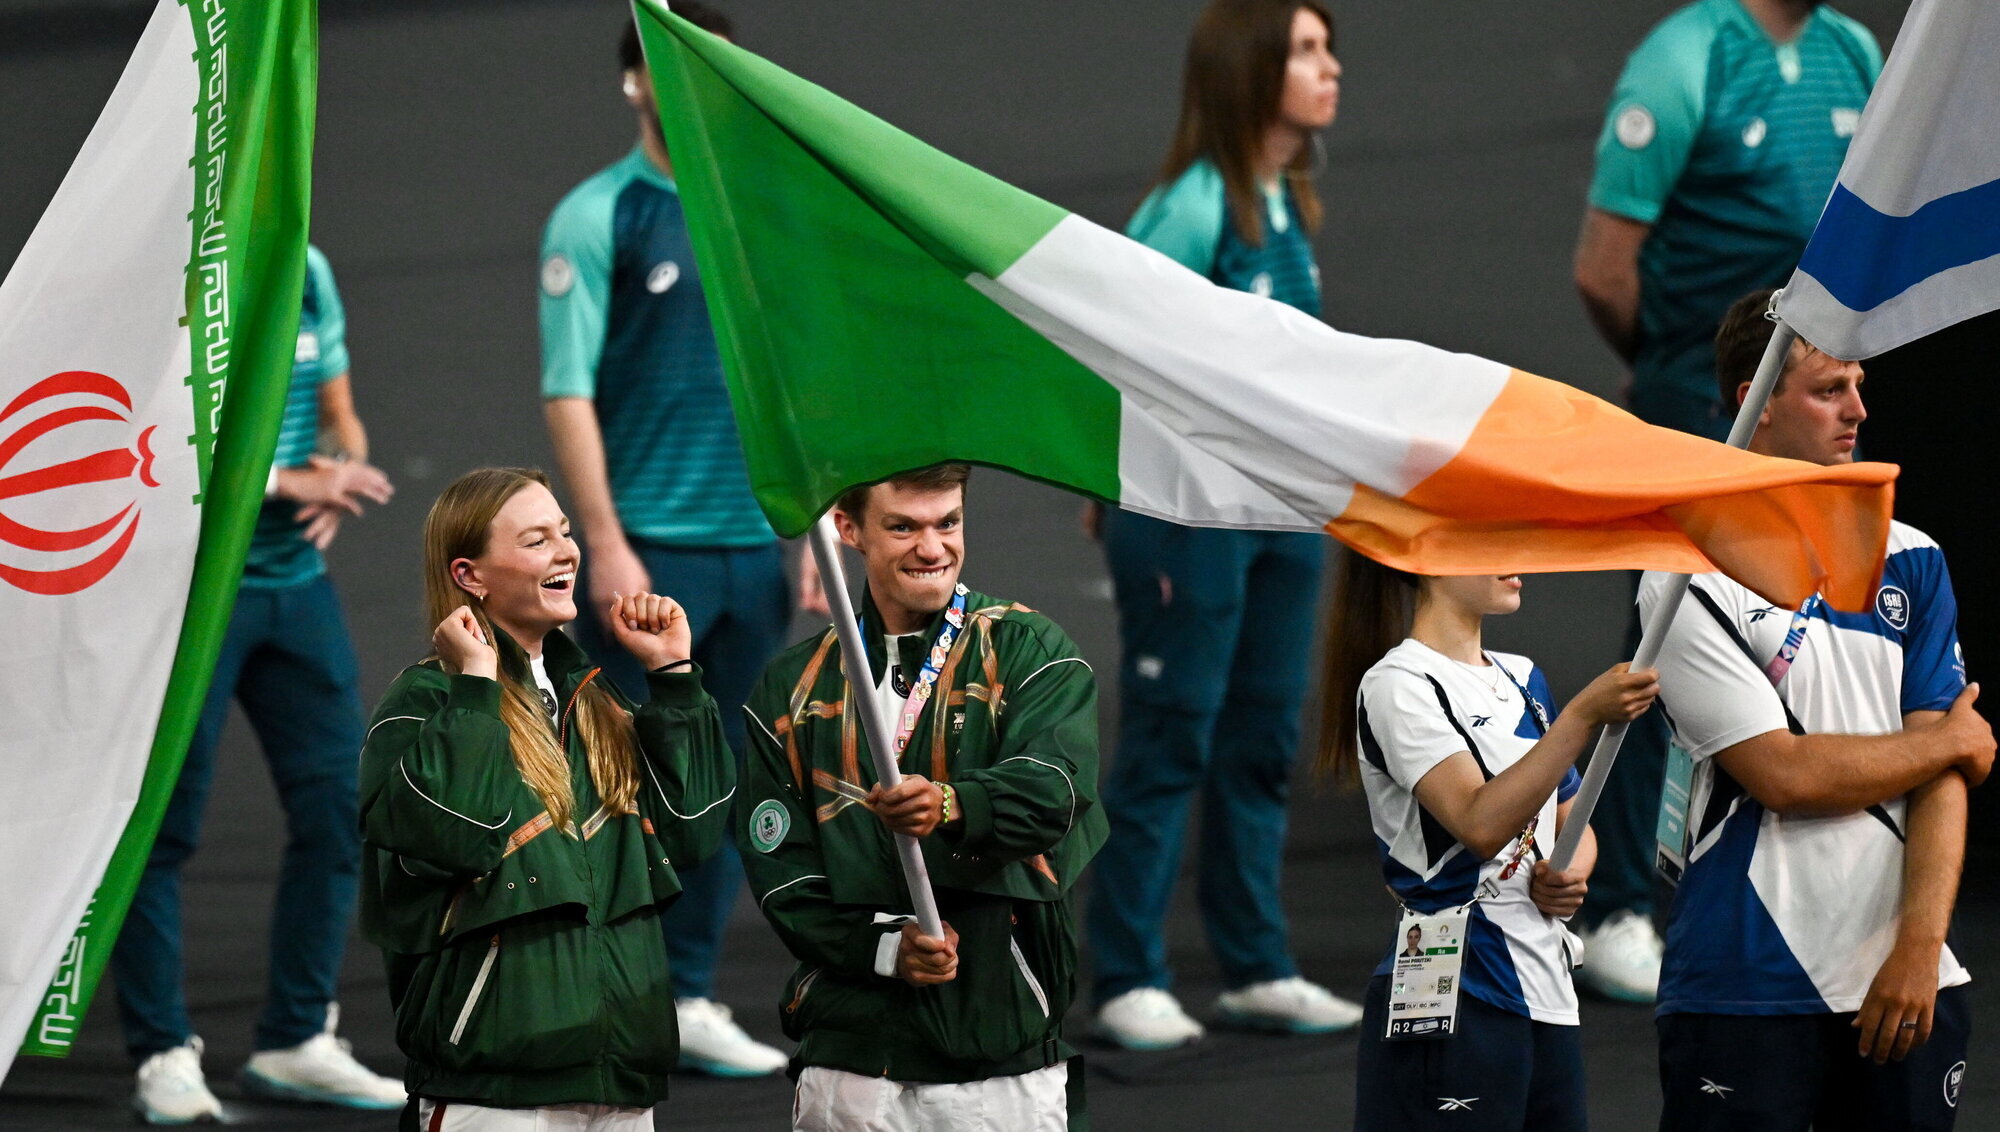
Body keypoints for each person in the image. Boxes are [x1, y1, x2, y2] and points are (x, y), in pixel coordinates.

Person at [1569, 0, 1884, 1006]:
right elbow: (1603, 270)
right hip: (1697, 396)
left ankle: (1790, 886)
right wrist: (1677, 371)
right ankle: (1617, 906)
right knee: (1666, 633)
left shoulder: (1852, 51)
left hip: (1810, 397)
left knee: (1811, 635)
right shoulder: (1685, 59)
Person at [538, 3, 820, 1077]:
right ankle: (603, 996)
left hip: (753, 552)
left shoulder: (760, 211)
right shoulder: (596, 216)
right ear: (636, 80)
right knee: (622, 792)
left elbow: (792, 384)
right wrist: (605, 545)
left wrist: (807, 533)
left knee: (724, 784)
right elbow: (567, 390)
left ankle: (689, 993)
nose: (695, 81)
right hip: (651, 557)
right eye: (673, 61)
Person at [1643, 290, 1995, 1131]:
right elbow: (1784, 775)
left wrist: (1919, 947)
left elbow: (1946, 779)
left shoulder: (1913, 558)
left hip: (1904, 977)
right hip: (1745, 977)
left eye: (1858, 385)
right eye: (1829, 389)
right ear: (1756, 402)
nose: (1858, 410)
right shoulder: (1687, 573)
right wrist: (1947, 741)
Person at [1084, 0, 1361, 1051]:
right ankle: (1126, 976)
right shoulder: (1192, 205)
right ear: (1250, 70)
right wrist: (1103, 485)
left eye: (1327, 48)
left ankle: (1255, 966)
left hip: (1277, 513)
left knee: (1260, 740)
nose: (1331, 68)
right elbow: (1107, 343)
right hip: (1188, 518)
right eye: (1306, 51)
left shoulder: (1284, 204)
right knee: (1172, 737)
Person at [111, 245, 403, 1124]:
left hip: (294, 592)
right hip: (191, 597)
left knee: (340, 813)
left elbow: (341, 420)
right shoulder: (169, 265)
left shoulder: (309, 267)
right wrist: (286, 481)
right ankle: (162, 1053)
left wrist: (336, 473)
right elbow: (141, 444)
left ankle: (295, 1039)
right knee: (161, 830)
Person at [357, 467, 737, 1131]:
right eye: (537, 541)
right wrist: (476, 688)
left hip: (621, 1082)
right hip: (492, 1092)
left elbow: (693, 833)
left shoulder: (596, 699)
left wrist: (674, 677)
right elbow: (457, 835)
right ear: (470, 575)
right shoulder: (425, 703)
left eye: (565, 532)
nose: (567, 552)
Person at [739, 465, 1105, 1132]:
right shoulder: (791, 687)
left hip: (1000, 1060)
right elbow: (781, 872)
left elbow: (1055, 792)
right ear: (848, 530)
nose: (932, 548)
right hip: (849, 1060)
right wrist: (884, 949)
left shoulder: (1029, 649)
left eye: (948, 523)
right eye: (903, 527)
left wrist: (953, 803)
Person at [1320, 558, 1659, 1131]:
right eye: (1489, 543)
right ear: (1428, 558)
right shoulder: (1399, 683)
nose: (1517, 560)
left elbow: (1573, 822)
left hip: (1549, 989)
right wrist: (1581, 716)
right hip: (1459, 985)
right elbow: (1477, 823)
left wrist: (1569, 871)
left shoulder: (1523, 677)